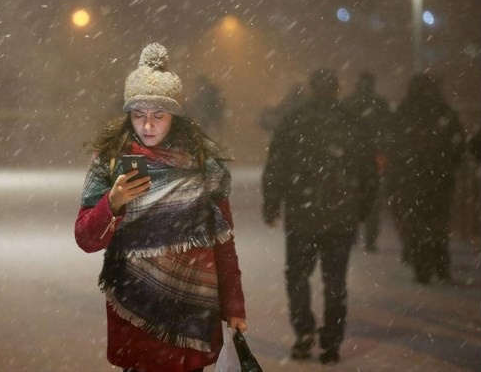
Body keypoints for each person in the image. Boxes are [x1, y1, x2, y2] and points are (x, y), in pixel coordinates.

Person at [75, 43, 247, 372]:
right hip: (136, 310)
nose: (148, 126)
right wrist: (112, 204)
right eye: (139, 115)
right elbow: (85, 238)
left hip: (192, 307)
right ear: (128, 115)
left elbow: (224, 240)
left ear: (175, 116)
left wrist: (235, 306)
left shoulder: (202, 163)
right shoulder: (110, 163)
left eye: (158, 116)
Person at [261, 68, 377, 365]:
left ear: (311, 89)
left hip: (303, 213)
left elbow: (276, 164)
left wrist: (272, 203)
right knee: (335, 281)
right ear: (336, 89)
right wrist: (363, 206)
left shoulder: (294, 120)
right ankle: (332, 341)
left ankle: (304, 331)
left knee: (297, 275)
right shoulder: (351, 122)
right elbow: (367, 169)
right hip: (341, 215)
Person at [386, 73, 465, 284]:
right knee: (438, 222)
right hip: (439, 177)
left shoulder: (404, 111)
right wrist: (448, 165)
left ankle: (421, 266)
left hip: (411, 178)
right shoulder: (443, 111)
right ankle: (441, 264)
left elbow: (391, 144)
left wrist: (398, 170)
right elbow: (458, 143)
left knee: (416, 223)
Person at [342, 72, 391, 252]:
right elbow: (388, 130)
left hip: (352, 159)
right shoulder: (380, 104)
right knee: (373, 199)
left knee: (351, 197)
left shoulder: (348, 104)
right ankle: (370, 239)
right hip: (375, 157)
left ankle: (352, 234)